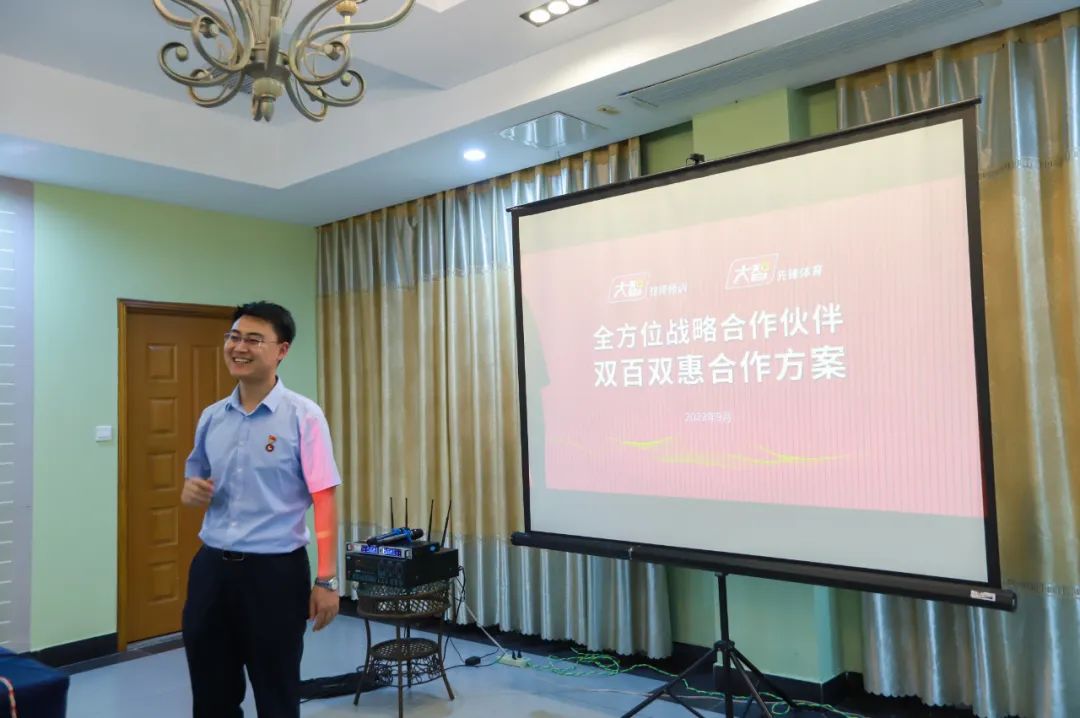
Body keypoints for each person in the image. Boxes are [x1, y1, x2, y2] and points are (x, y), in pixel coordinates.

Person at [180, 301, 341, 718]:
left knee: (276, 693)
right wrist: (191, 492)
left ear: (281, 350)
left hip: (274, 575)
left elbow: (324, 498)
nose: (239, 347)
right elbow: (195, 478)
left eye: (253, 339)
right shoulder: (212, 417)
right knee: (211, 694)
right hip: (212, 571)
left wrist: (326, 579)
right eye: (234, 337)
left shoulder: (304, 416)